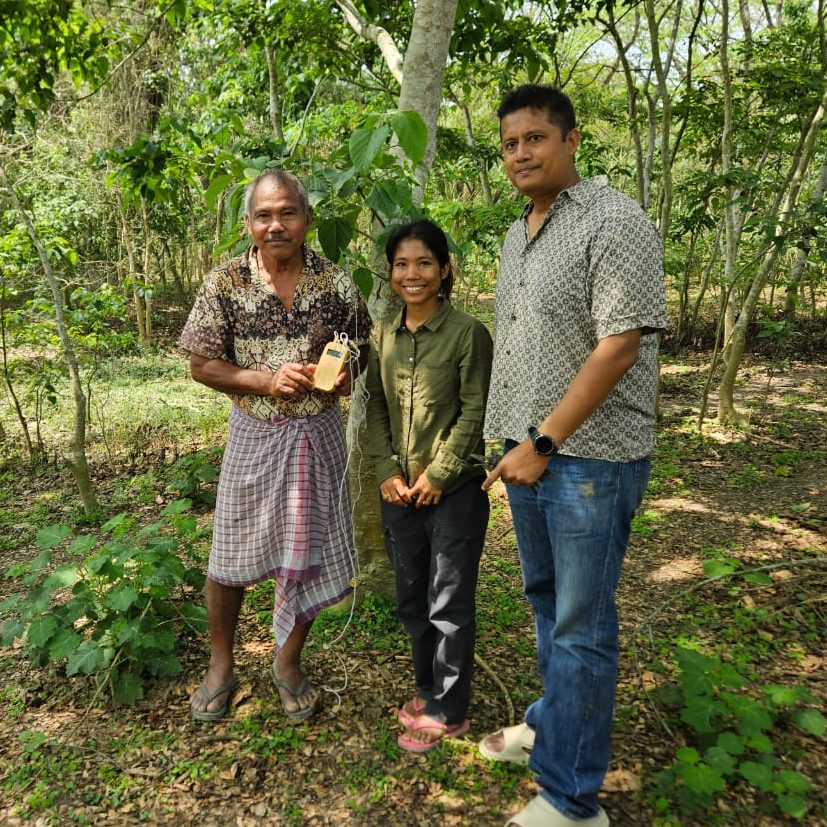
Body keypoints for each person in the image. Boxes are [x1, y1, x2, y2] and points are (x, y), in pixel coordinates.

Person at [480, 85, 667, 826]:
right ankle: (552, 726)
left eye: (534, 138)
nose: (519, 154)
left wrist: (544, 440)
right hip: (526, 451)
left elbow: (619, 345)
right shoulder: (518, 231)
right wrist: (515, 443)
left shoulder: (614, 219)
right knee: (546, 604)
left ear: (571, 139)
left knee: (581, 623)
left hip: (586, 458)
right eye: (508, 144)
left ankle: (570, 797)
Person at [180, 168, 371, 723]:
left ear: (307, 220)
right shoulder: (225, 283)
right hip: (254, 432)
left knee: (308, 552)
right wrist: (263, 379)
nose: (276, 224)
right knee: (229, 554)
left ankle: (288, 661)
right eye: (264, 215)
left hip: (319, 434)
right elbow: (201, 364)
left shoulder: (335, 283)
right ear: (249, 223)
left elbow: (360, 356)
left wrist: (343, 377)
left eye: (287, 212)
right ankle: (221, 665)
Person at [365, 219, 493, 753]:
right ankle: (428, 689)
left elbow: (474, 411)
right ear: (390, 273)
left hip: (454, 492)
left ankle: (449, 711)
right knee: (412, 597)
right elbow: (374, 406)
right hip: (399, 493)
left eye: (423, 263)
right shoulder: (382, 333)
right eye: (401, 264)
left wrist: (437, 475)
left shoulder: (468, 333)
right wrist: (388, 472)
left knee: (448, 602)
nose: (411, 274)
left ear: (444, 270)